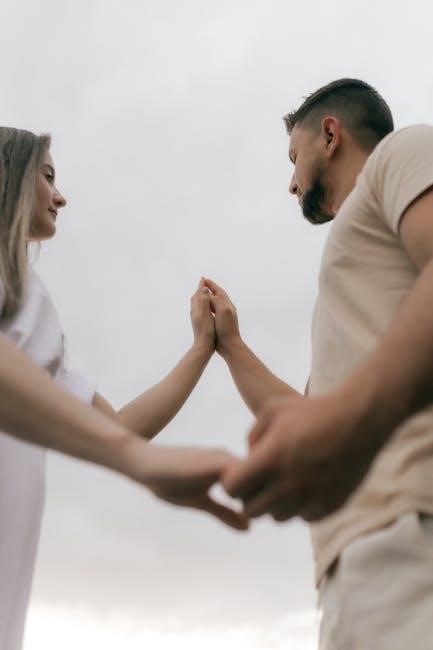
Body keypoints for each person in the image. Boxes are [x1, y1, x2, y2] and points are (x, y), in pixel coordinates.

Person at [205, 79, 433, 648]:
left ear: (330, 135)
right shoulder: (360, 274)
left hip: (411, 531)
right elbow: (315, 418)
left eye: (293, 158)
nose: (291, 182)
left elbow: (342, 420)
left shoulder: (402, 152)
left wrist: (349, 421)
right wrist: (230, 345)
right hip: (352, 567)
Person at [0, 127, 247, 650]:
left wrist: (203, 348)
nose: (60, 197)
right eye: (47, 176)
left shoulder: (25, 301)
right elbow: (124, 447)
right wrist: (139, 463)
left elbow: (117, 430)